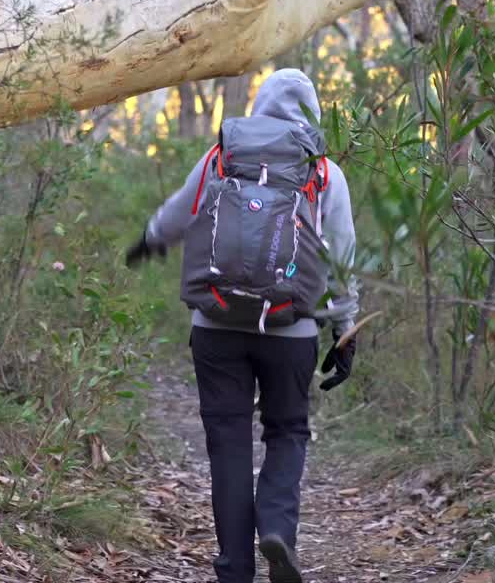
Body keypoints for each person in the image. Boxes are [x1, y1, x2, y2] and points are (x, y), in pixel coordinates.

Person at [125, 69, 358, 583]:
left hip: (215, 322)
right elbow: (342, 259)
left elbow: (178, 214)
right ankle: (276, 526)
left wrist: (148, 239)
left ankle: (234, 567)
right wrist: (346, 332)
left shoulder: (222, 155)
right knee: (287, 430)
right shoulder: (323, 171)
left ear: (260, 104)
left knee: (228, 442)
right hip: (291, 328)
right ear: (312, 112)